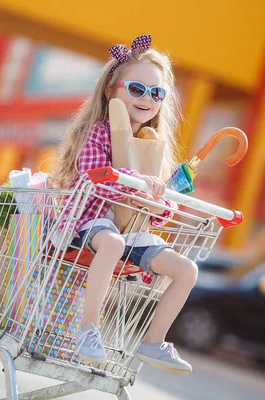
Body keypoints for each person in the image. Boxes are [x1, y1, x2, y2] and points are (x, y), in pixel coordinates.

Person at [51, 35, 197, 375]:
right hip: (90, 223)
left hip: (132, 231)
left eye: (156, 93)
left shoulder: (153, 146)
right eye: (136, 89)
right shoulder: (99, 133)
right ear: (110, 90)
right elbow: (90, 179)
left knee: (186, 269)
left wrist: (158, 201)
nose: (146, 98)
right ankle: (88, 329)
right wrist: (132, 182)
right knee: (112, 242)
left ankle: (152, 342)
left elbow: (159, 215)